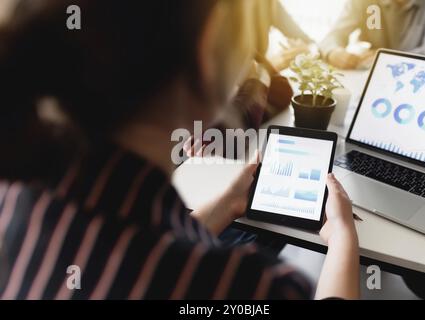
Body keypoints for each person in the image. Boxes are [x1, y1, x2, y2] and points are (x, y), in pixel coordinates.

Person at [0, 0, 359, 300]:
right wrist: (343, 238)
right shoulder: (249, 286)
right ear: (208, 50)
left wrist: (227, 204)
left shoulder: (13, 193)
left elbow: (137, 246)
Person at [320, 0, 425, 69]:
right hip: (368, 77)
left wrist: (383, 58)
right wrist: (333, 52)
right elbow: (333, 35)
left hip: (413, 78)